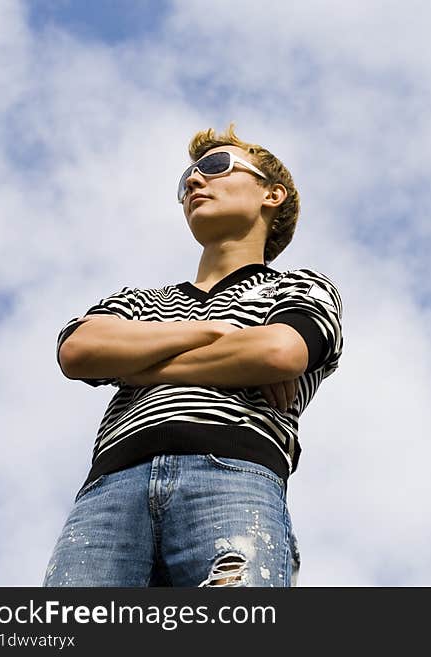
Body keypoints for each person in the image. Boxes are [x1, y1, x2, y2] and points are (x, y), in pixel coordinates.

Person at [43, 124, 343, 587]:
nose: (193, 182)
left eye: (215, 167)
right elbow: (78, 350)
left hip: (233, 477)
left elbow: (281, 352)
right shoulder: (143, 298)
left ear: (272, 194)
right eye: (187, 177)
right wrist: (214, 334)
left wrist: (139, 366)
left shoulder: (299, 286)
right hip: (109, 488)